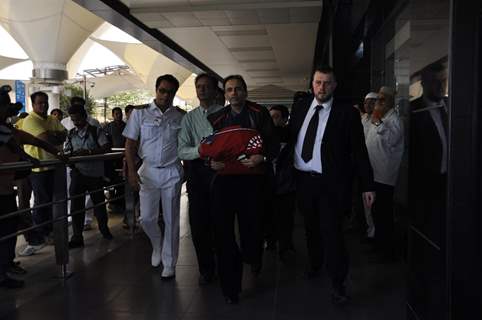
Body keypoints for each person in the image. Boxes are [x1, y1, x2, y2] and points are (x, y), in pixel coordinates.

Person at [288, 65, 374, 305]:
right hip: (303, 181)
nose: (322, 87)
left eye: (327, 83)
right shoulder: (300, 107)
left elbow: (359, 151)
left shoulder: (346, 113)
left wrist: (367, 185)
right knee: (310, 229)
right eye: (318, 82)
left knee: (332, 233)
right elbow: (291, 136)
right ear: (311, 84)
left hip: (330, 184)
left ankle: (338, 283)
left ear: (334, 85)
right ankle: (315, 265)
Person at [204, 75, 279, 304]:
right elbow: (207, 146)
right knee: (224, 235)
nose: (234, 93)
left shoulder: (259, 113)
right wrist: (210, 163)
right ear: (225, 94)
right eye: (229, 90)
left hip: (253, 181)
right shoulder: (216, 118)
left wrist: (262, 157)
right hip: (225, 182)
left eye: (238, 89)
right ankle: (231, 289)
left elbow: (273, 144)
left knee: (252, 231)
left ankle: (254, 256)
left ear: (245, 92)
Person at [0, 85, 63, 288]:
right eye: (6, 108)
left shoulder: (8, 130)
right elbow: (30, 141)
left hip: (6, 190)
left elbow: (32, 141)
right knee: (8, 226)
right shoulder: (7, 131)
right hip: (3, 191)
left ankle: (6, 265)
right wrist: (29, 156)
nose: (10, 112)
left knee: (9, 226)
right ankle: (3, 270)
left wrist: (53, 153)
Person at [123, 74, 185, 280]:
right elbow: (130, 145)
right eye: (162, 91)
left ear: (175, 94)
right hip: (148, 171)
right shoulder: (140, 114)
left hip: (172, 171)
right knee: (146, 218)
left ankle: (170, 262)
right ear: (156, 90)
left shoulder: (181, 116)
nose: (165, 96)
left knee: (171, 219)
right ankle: (157, 245)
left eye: (170, 92)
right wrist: (131, 171)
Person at [178, 73, 223, 285]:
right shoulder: (188, 118)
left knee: (220, 222)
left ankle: (224, 265)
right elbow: (182, 150)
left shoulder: (226, 114)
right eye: (199, 86)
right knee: (198, 224)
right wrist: (202, 150)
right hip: (197, 173)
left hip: (221, 172)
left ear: (215, 91)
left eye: (206, 86)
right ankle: (206, 268)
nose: (202, 90)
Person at [409, 62, 448, 247]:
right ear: (423, 83)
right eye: (435, 81)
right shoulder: (414, 111)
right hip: (425, 182)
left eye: (444, 80)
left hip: (450, 181)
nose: (441, 86)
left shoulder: (453, 106)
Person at [63, 105, 113, 248]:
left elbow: (106, 147)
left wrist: (89, 152)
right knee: (76, 206)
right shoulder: (71, 134)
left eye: (78, 119)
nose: (76, 122)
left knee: (99, 204)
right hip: (78, 174)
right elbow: (67, 150)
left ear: (84, 117)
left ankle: (104, 229)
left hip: (94, 175)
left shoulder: (96, 131)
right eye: (73, 120)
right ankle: (77, 236)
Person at [21, 92, 66, 247]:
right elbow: (44, 140)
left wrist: (51, 134)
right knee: (42, 202)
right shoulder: (30, 120)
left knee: (54, 200)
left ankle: (51, 229)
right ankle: (42, 232)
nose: (44, 105)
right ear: (33, 105)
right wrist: (53, 135)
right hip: (38, 169)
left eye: (45, 102)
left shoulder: (52, 118)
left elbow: (64, 135)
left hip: (55, 166)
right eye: (40, 103)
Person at [365, 86, 404, 262]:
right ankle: (379, 243)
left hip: (385, 176)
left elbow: (391, 140)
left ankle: (388, 250)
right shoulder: (379, 117)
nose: (379, 102)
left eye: (382, 99)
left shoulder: (394, 119)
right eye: (378, 99)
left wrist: (378, 122)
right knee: (376, 212)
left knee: (384, 214)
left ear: (390, 101)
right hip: (373, 173)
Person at [61, 97, 100, 231]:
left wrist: (88, 152)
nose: (76, 122)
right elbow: (65, 144)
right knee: (73, 195)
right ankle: (75, 223)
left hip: (93, 170)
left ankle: (88, 220)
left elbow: (103, 145)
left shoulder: (94, 124)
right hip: (75, 168)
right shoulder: (64, 122)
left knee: (93, 198)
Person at [268, 105, 296, 261]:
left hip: (286, 185)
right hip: (269, 185)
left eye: (276, 116)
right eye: (270, 116)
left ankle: (286, 246)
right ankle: (271, 240)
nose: (272, 120)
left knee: (286, 217)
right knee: (269, 216)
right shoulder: (265, 138)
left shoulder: (292, 138)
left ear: (285, 119)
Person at [104, 107, 126, 213]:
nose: (119, 115)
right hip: (112, 158)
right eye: (116, 114)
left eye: (120, 113)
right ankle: (112, 203)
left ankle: (120, 202)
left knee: (122, 180)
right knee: (112, 181)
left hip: (123, 157)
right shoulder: (108, 127)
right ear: (113, 115)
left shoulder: (126, 126)